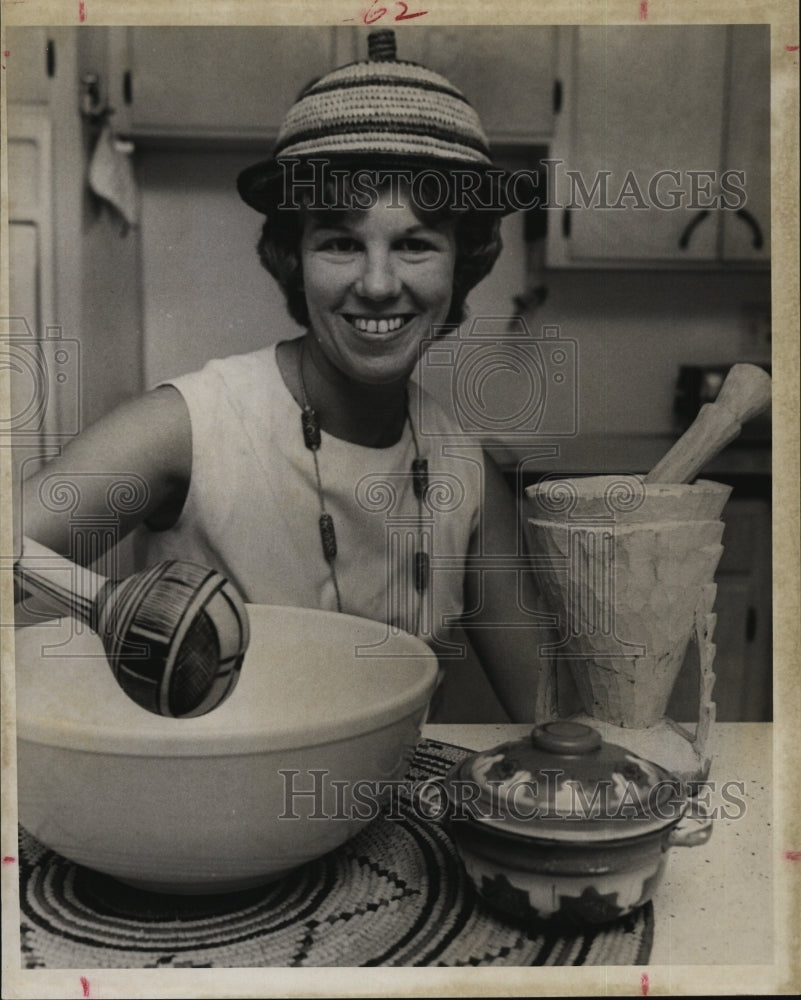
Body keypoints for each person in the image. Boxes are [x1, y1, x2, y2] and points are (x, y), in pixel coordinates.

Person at [15, 29, 553, 722]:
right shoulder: (189, 429)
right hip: (205, 819)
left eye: (415, 243)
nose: (379, 283)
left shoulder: (465, 473)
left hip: (390, 820)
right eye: (339, 241)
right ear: (292, 257)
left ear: (463, 264)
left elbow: (549, 717)